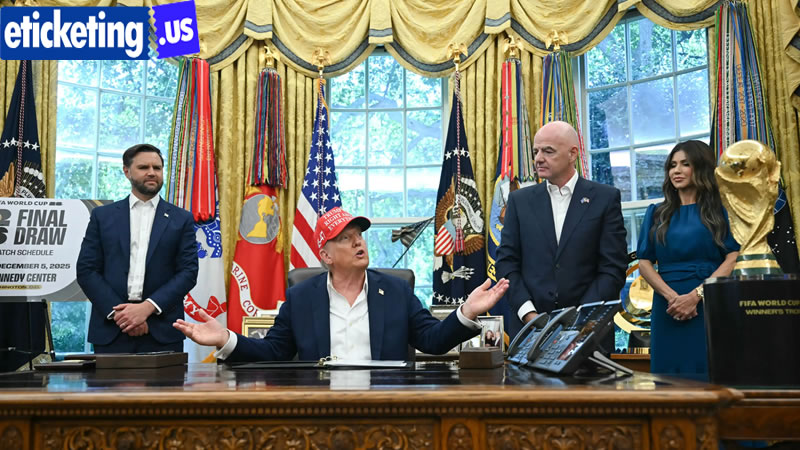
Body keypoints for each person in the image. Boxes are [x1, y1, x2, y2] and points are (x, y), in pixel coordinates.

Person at [175, 207, 510, 362]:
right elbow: (275, 351)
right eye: (346, 238)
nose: (358, 242)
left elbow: (433, 341)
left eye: (359, 235)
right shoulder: (301, 297)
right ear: (326, 255)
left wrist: (467, 311)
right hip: (321, 411)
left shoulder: (396, 292)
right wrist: (226, 338)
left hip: (386, 409)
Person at [496, 121, 628, 329]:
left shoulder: (605, 198)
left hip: (589, 330)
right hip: (530, 329)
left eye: (548, 151)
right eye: (536, 151)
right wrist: (529, 314)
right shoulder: (518, 201)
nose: (538, 158)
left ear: (572, 154)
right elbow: (506, 263)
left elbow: (613, 267)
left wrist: (581, 319)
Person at [76, 144, 198, 353]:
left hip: (162, 330)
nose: (152, 172)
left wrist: (147, 308)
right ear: (127, 171)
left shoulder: (182, 219)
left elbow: (188, 272)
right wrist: (122, 316)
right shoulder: (102, 216)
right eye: (143, 167)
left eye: (157, 168)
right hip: (111, 329)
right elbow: (86, 270)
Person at [637, 140, 739, 377]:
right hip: (667, 306)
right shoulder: (655, 213)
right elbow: (644, 263)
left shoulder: (722, 210)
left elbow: (733, 257)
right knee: (667, 378)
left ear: (701, 167)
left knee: (709, 372)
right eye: (672, 165)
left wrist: (696, 296)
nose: (677, 170)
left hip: (709, 303)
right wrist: (672, 298)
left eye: (685, 164)